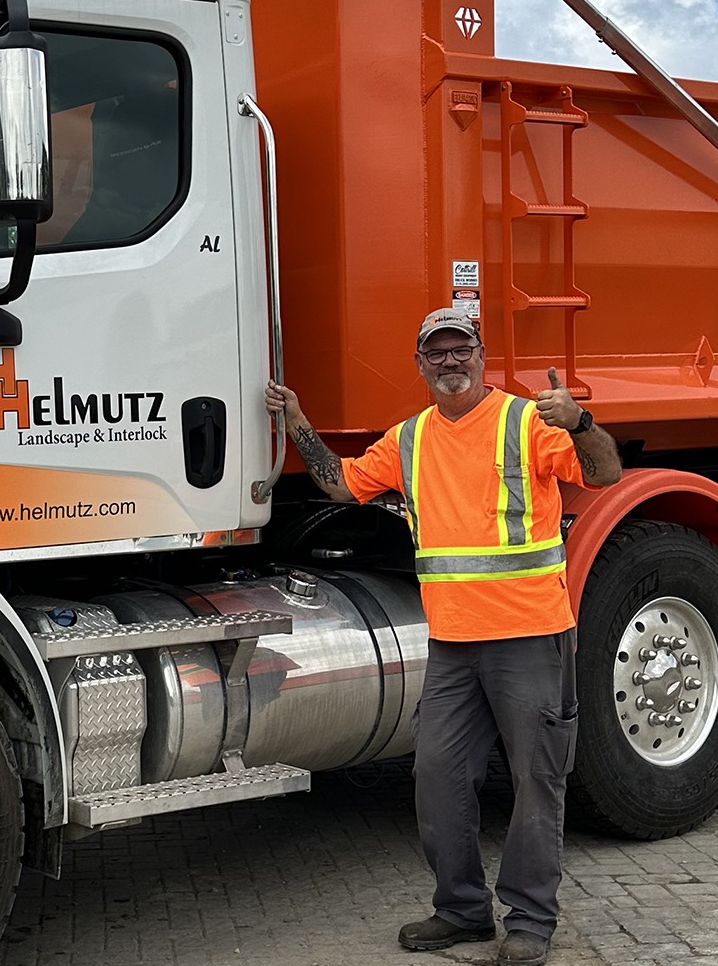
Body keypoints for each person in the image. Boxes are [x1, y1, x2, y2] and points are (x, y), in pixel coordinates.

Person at [264, 307, 621, 966]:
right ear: (421, 365)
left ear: (481, 356)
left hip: (530, 636)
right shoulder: (409, 440)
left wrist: (582, 423)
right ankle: (460, 910)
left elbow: (603, 474)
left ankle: (530, 919)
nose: (451, 361)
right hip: (454, 645)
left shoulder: (524, 422)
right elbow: (341, 482)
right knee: (437, 776)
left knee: (535, 781)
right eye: (438, 353)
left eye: (462, 350)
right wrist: (299, 425)